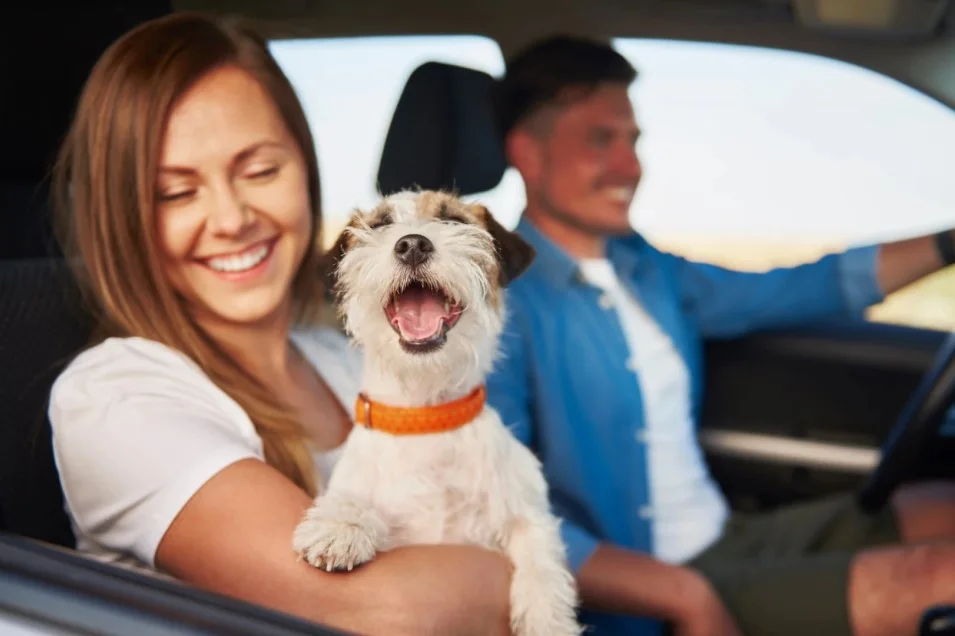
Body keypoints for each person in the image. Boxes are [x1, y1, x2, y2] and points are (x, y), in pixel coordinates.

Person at [47, 13, 512, 636]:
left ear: (306, 169)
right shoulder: (114, 395)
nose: (232, 218)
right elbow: (378, 610)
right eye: (176, 193)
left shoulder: (347, 358)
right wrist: (525, 568)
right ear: (124, 220)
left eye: (261, 171)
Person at [485, 34, 955, 636]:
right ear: (527, 152)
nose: (632, 167)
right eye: (601, 140)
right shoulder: (500, 305)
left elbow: (795, 289)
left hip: (724, 537)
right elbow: (500, 512)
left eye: (633, 141)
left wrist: (946, 244)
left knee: (945, 503)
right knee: (940, 580)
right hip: (643, 588)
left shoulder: (646, 270)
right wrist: (681, 595)